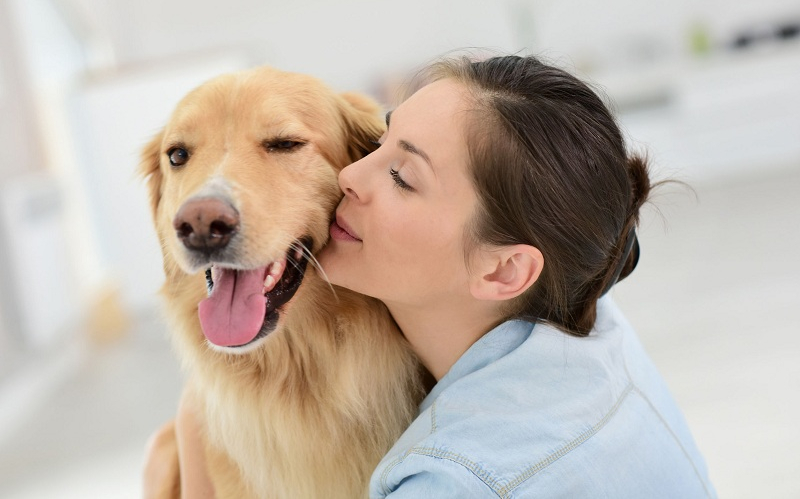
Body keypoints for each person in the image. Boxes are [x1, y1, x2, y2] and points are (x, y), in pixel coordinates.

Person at [145, 54, 716, 497]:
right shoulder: (585, 310)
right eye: (381, 142)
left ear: (506, 267)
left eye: (401, 175)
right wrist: (199, 420)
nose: (351, 176)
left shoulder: (454, 478)